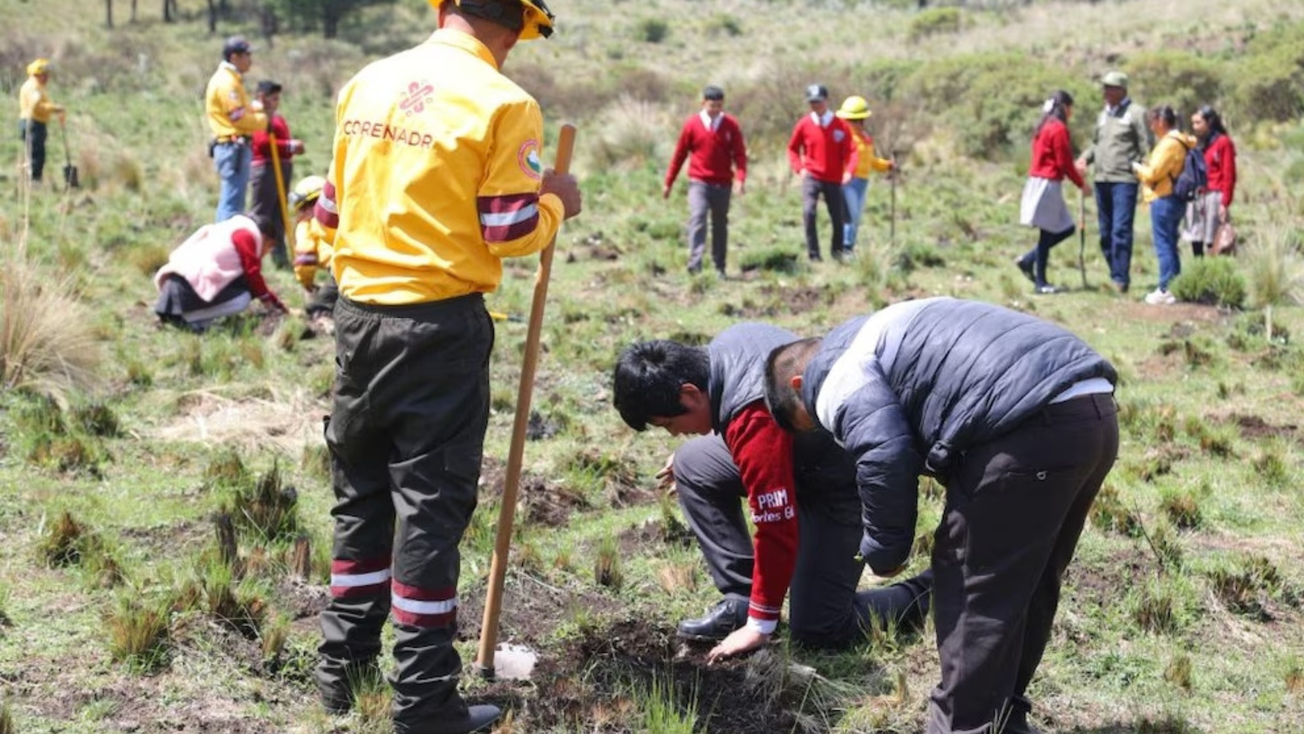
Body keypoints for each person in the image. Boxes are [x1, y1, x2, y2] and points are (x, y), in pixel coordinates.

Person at [311, 1, 580, 732]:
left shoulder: (369, 80)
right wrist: (558, 205)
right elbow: (509, 227)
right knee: (428, 511)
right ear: (516, 27)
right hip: (438, 327)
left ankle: (342, 672)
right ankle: (424, 701)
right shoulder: (503, 101)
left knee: (360, 494)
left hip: (356, 316)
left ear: (444, 8)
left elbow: (328, 211)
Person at [763, 297, 1118, 734]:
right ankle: (1004, 718)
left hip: (1028, 427)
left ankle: (961, 727)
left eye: (811, 421)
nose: (824, 427)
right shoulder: (880, 330)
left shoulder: (836, 374)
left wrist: (885, 550)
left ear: (800, 383)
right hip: (1093, 409)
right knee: (1029, 578)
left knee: (971, 584)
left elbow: (884, 453)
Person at [612, 329, 933, 664]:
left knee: (818, 627)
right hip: (796, 457)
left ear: (690, 393)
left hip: (838, 484)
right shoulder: (722, 351)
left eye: (669, 423)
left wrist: (761, 625)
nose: (674, 432)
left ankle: (931, 590)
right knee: (692, 462)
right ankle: (741, 598)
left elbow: (776, 529)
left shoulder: (752, 416)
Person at [1075, 71, 1151, 294]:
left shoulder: (1136, 113)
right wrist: (1085, 158)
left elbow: (1147, 146)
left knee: (1121, 230)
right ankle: (1115, 271)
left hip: (1124, 181)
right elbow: (1096, 144)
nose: (1105, 92)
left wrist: (1137, 167)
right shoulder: (1103, 115)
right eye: (1104, 88)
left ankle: (1120, 279)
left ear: (1122, 90)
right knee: (1105, 233)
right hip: (1102, 179)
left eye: (1110, 88)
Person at [663, 85, 747, 277]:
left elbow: (740, 154)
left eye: (719, 106)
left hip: (723, 183)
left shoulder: (731, 125)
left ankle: (719, 266)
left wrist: (741, 179)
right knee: (698, 216)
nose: (716, 110)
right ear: (703, 103)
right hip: (699, 181)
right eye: (712, 106)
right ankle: (695, 263)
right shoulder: (692, 125)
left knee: (720, 223)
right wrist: (669, 182)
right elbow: (680, 155)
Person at [153, 214, 288, 332]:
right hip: (187, 287)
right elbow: (252, 274)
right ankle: (186, 318)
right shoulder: (246, 235)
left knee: (244, 288)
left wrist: (276, 304)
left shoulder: (228, 228)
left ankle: (185, 316)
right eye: (270, 246)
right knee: (243, 298)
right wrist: (271, 305)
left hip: (177, 283)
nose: (266, 253)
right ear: (264, 237)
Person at [1016, 91, 1089, 294]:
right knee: (1048, 232)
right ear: (1065, 107)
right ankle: (1040, 282)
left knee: (1063, 228)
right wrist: (1080, 182)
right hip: (1048, 183)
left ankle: (1029, 261)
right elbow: (1062, 161)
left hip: (1041, 181)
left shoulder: (1044, 126)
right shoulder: (1057, 129)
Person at [1132, 105, 1195, 306]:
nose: (1151, 126)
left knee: (1164, 245)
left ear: (1161, 121)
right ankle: (1174, 286)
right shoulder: (1182, 141)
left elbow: (1153, 173)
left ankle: (1166, 288)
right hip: (1174, 198)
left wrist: (1138, 169)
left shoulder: (1169, 144)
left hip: (1164, 198)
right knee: (1170, 244)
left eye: (1152, 121)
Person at [205, 35, 268, 223]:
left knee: (234, 200)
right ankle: (225, 246)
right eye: (247, 54)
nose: (250, 59)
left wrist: (255, 108)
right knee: (232, 204)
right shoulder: (227, 82)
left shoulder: (232, 79)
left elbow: (240, 110)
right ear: (234, 57)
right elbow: (237, 117)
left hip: (234, 148)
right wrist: (263, 120)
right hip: (233, 148)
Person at [787, 84, 853, 262]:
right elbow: (793, 148)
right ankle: (814, 255)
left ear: (826, 100)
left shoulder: (841, 125)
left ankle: (837, 252)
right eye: (812, 102)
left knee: (837, 216)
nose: (816, 106)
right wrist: (799, 168)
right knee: (809, 212)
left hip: (834, 177)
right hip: (812, 176)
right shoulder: (804, 124)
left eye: (819, 102)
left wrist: (849, 171)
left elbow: (851, 151)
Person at [250, 79, 305, 270]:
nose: (276, 101)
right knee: (261, 213)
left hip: (282, 166)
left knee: (278, 214)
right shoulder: (256, 116)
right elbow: (262, 143)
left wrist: (291, 148)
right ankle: (249, 255)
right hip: (266, 168)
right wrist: (289, 145)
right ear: (262, 97)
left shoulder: (277, 118)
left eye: (277, 98)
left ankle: (279, 256)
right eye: (273, 98)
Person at [836, 95, 894, 254]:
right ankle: (845, 248)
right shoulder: (842, 139)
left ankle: (850, 248)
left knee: (856, 218)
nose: (856, 123)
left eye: (858, 120)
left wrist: (886, 165)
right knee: (850, 216)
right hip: (847, 182)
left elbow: (870, 160)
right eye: (852, 120)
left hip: (862, 183)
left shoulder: (865, 139)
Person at [1181, 106, 1236, 258]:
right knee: (1195, 236)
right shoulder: (1197, 144)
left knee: (1213, 238)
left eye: (1198, 123)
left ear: (1209, 122)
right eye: (1193, 123)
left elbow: (1229, 174)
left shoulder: (1223, 142)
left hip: (1214, 195)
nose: (1195, 127)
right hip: (1196, 195)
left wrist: (1225, 202)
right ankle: (1199, 270)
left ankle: (1214, 271)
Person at [288, 175, 338, 322]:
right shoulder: (342, 214)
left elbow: (305, 258)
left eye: (303, 208)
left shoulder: (306, 225)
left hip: (338, 268)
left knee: (318, 305)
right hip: (358, 261)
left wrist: (307, 283)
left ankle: (322, 319)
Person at [18, 58, 66, 186]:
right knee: (36, 154)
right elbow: (37, 106)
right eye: (45, 74)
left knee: (35, 152)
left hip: (35, 123)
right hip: (33, 124)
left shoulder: (37, 87)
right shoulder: (33, 88)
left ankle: (31, 181)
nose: (47, 78)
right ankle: (33, 182)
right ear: (37, 74)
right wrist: (55, 108)